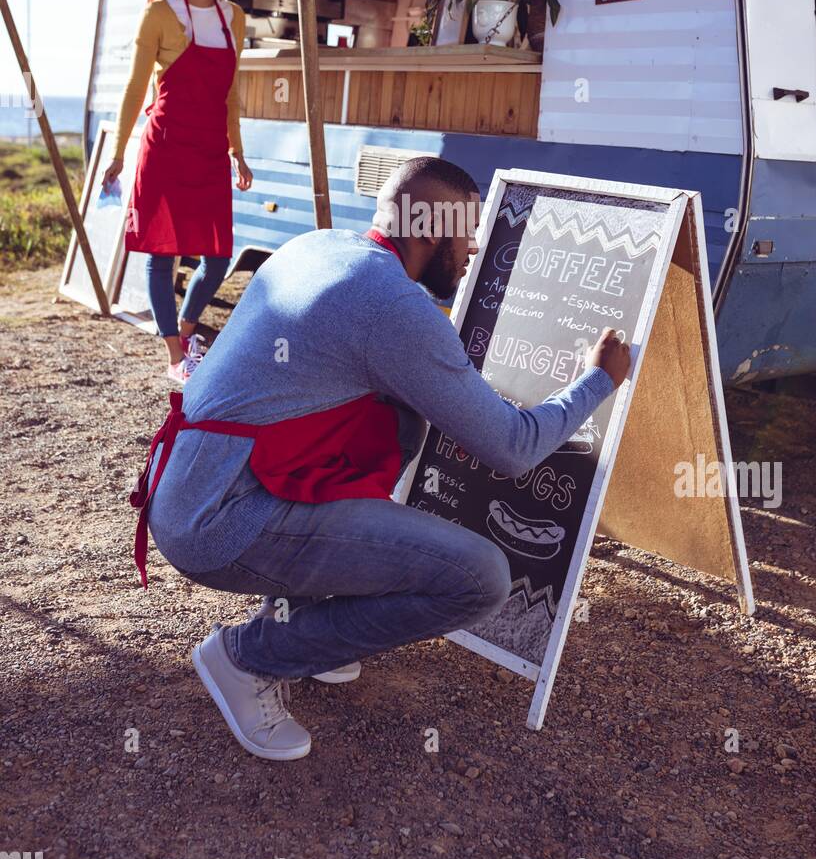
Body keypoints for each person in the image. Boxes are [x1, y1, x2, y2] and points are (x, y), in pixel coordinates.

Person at [129, 156, 631, 761]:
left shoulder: (320, 248)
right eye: (467, 231)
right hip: (219, 523)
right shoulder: (391, 308)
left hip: (192, 486)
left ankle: (301, 621)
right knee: (480, 578)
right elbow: (512, 447)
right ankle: (248, 658)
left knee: (395, 421)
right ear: (429, 229)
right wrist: (598, 381)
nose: (474, 249)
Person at [101, 0, 253, 385]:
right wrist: (119, 153)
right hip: (165, 148)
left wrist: (237, 151)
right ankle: (174, 355)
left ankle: (187, 333)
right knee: (161, 253)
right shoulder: (159, 15)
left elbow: (230, 92)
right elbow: (133, 90)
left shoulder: (235, 17)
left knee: (218, 257)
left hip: (208, 151)